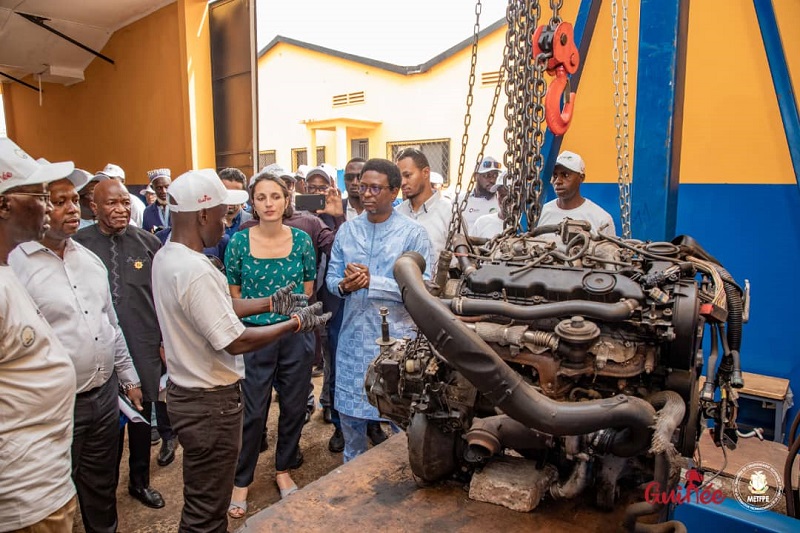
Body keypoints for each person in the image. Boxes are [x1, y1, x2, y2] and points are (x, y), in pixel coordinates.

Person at [152, 168, 329, 532]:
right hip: (208, 402)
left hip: (190, 394)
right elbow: (235, 339)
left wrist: (269, 303)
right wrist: (295, 323)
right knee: (206, 512)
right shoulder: (196, 270)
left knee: (204, 498)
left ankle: (280, 470)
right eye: (222, 213)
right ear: (202, 214)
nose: (227, 221)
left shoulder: (169, 257)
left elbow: (219, 307)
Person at [10, 165, 144, 533]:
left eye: (73, 200)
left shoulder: (88, 260)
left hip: (102, 399)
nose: (71, 209)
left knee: (101, 486)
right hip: (54, 407)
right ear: (36, 207)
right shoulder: (17, 267)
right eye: (58, 201)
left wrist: (128, 376)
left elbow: (109, 324)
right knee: (56, 495)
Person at [326, 158, 432, 462]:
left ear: (394, 191)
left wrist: (373, 282)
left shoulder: (413, 234)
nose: (367, 194)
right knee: (352, 432)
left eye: (376, 188)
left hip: (396, 346)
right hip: (352, 343)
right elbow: (332, 279)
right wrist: (346, 285)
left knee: (402, 428)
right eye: (363, 187)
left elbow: (420, 287)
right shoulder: (347, 231)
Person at [225, 172, 318, 517]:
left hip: (295, 334)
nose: (268, 204)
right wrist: (268, 310)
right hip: (253, 339)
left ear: (286, 199)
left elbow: (307, 290)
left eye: (275, 197)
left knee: (294, 406)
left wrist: (288, 318)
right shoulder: (238, 242)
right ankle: (241, 479)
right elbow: (234, 295)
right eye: (261, 197)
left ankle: (283, 469)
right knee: (252, 412)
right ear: (252, 201)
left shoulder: (301, 240)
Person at [74, 178, 169, 508]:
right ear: (94, 207)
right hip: (98, 349)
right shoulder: (77, 246)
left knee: (142, 418)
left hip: (143, 343)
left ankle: (139, 482)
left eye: (125, 203)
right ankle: (104, 489)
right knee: (107, 425)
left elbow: (161, 298)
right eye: (112, 203)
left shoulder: (147, 243)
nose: (121, 209)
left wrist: (164, 341)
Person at [0, 138, 78, 532]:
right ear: (4, 205)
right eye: (41, 195)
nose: (49, 206)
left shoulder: (6, 270)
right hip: (22, 495)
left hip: (44, 481)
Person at [395, 147, 451, 273]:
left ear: (426, 173)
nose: (402, 182)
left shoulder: (449, 212)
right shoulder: (396, 213)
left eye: (408, 175)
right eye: (399, 177)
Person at [537, 151, 616, 235]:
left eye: (565, 175)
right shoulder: (540, 214)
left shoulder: (601, 220)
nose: (558, 181)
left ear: (581, 178)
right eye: (555, 175)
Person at [460, 155, 502, 229]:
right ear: (475, 176)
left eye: (495, 175)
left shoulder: (501, 203)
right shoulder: (461, 201)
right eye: (487, 175)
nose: (492, 180)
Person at [470, 170, 510, 239]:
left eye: (509, 195)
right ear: (497, 196)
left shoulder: (527, 225)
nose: (505, 199)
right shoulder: (482, 223)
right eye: (502, 195)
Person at [219, 167, 252, 236]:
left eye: (235, 194)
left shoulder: (253, 223)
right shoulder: (207, 224)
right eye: (226, 193)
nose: (230, 198)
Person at [142, 168, 171, 233]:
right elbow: (146, 235)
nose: (164, 191)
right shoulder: (148, 212)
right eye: (159, 188)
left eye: (167, 187)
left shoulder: (180, 208)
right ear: (153, 188)